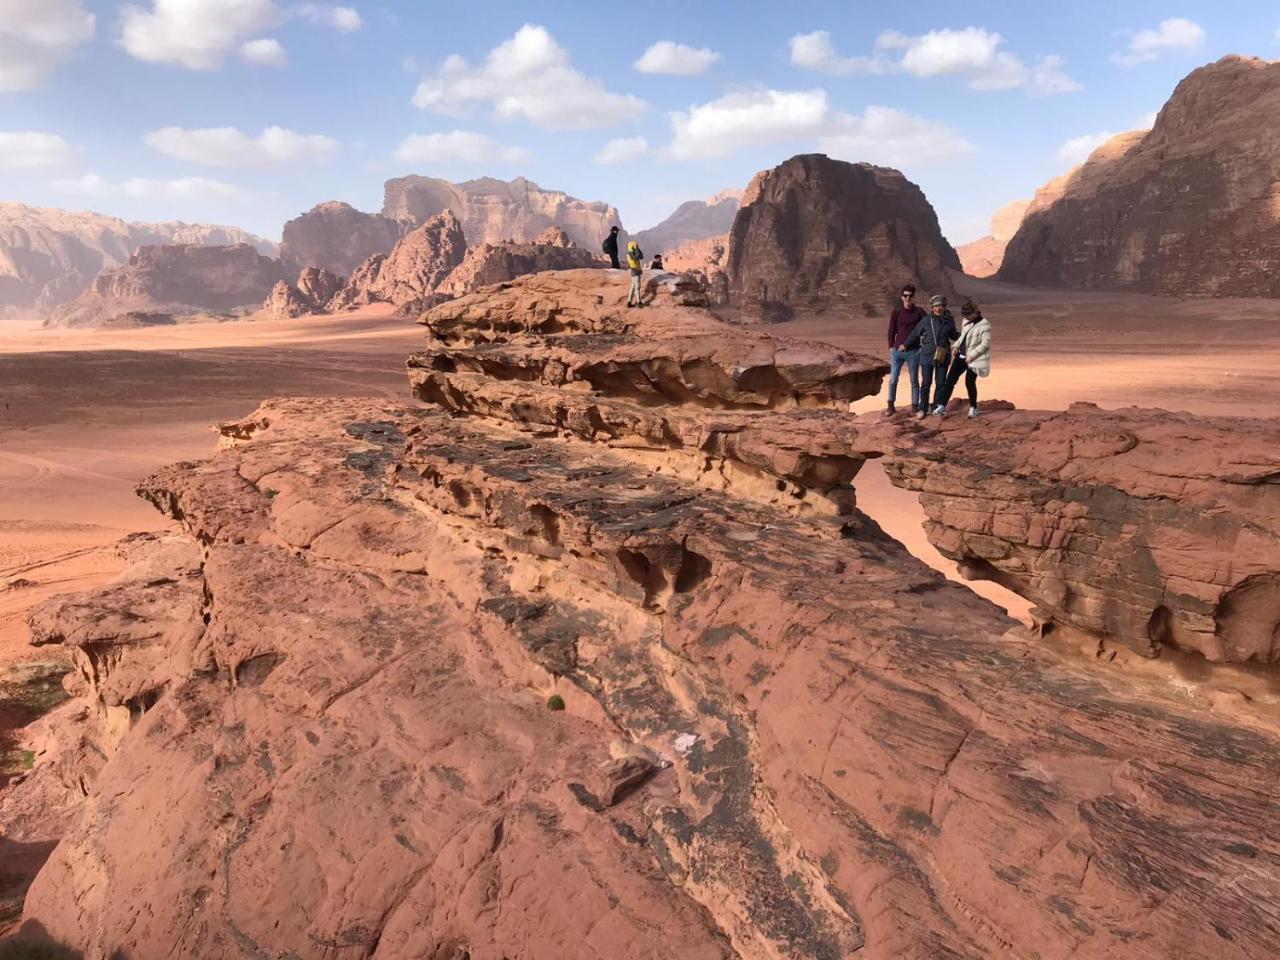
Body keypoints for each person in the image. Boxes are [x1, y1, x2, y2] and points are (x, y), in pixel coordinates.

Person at [931, 299, 992, 419]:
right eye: (965, 316)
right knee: (950, 381)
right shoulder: (965, 321)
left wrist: (972, 355)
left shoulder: (985, 325)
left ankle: (973, 408)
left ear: (975, 312)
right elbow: (962, 337)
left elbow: (985, 344)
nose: (966, 318)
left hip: (974, 359)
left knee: (969, 383)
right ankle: (942, 406)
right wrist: (955, 346)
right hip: (961, 356)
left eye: (968, 315)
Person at [902, 294, 958, 419]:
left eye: (940, 306)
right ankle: (922, 408)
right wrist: (905, 345)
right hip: (927, 356)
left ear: (944, 307)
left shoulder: (949, 320)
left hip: (943, 355)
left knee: (941, 383)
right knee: (926, 383)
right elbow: (915, 333)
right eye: (935, 306)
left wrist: (966, 336)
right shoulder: (926, 320)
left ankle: (936, 407)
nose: (938, 308)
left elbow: (954, 335)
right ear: (932, 307)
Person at [885, 283, 927, 415]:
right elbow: (891, 331)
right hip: (897, 351)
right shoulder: (896, 312)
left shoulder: (919, 312)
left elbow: (928, 327)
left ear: (913, 297)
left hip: (913, 352)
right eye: (905, 296)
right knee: (893, 379)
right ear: (901, 297)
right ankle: (890, 406)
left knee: (914, 380)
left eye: (910, 296)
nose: (908, 298)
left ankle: (915, 406)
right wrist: (891, 347)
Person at [626, 239, 645, 307]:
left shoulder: (629, 254)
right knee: (637, 286)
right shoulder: (631, 255)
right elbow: (639, 256)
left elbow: (641, 256)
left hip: (633, 270)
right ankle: (638, 301)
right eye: (635, 246)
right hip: (635, 270)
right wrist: (637, 249)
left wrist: (636, 249)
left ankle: (629, 301)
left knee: (633, 286)